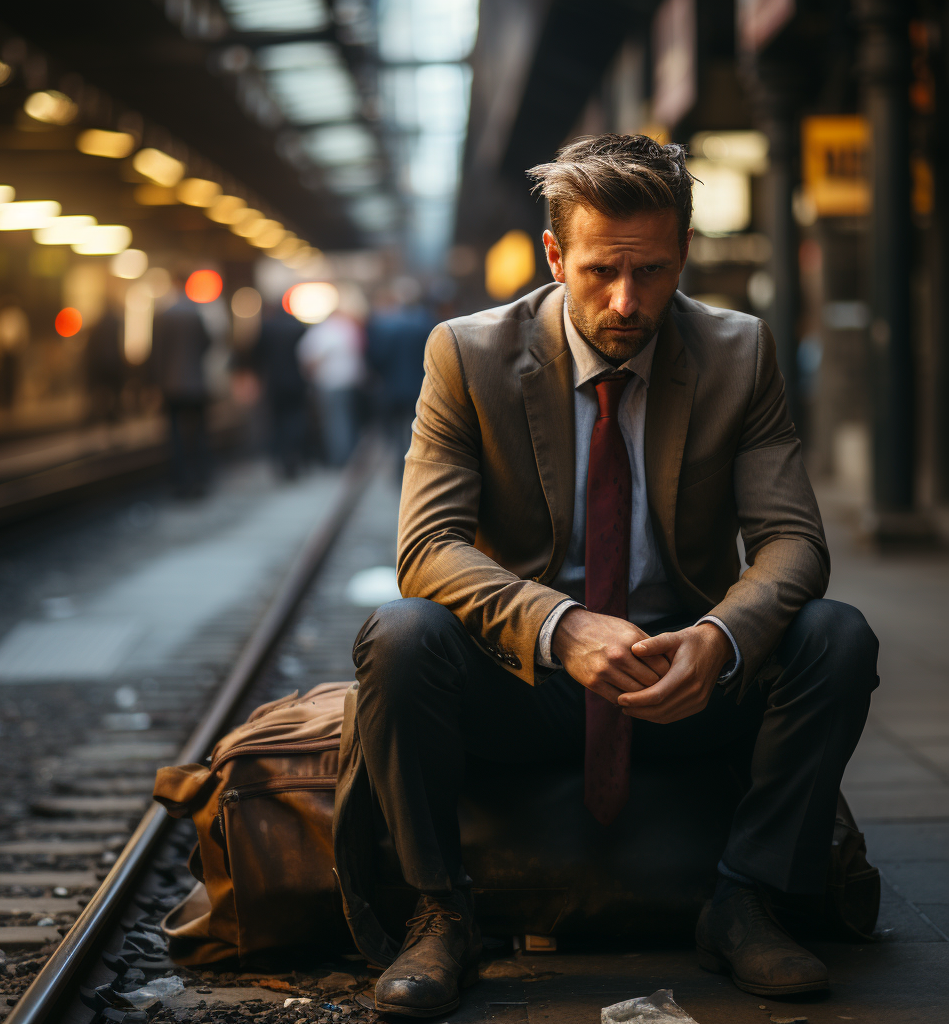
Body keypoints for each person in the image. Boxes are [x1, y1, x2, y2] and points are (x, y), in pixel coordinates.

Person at [345, 135, 879, 1017]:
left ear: (684, 256)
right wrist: (561, 628)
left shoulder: (739, 353)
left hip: (684, 680)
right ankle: (440, 911)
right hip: (528, 682)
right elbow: (427, 548)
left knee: (836, 635)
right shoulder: (467, 355)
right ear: (556, 256)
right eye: (600, 272)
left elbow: (792, 542)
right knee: (403, 636)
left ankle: (746, 899)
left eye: (654, 272)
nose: (628, 301)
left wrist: (720, 636)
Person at [150, 278, 212, 497]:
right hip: (196, 385)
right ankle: (201, 479)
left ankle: (180, 482)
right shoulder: (195, 314)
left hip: (172, 386)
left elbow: (156, 352)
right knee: (199, 435)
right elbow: (208, 343)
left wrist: (157, 384)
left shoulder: (164, 315)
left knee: (175, 435)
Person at [366, 279, 433, 475]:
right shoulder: (424, 323)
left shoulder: (385, 326)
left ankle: (399, 466)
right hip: (418, 386)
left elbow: (377, 358)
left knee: (395, 431)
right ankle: (418, 467)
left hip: (391, 387)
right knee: (418, 429)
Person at [297, 285, 367, 467]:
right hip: (349, 381)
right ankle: (350, 456)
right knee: (347, 419)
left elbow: (308, 358)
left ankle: (340, 458)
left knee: (335, 422)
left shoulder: (322, 331)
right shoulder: (348, 329)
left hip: (330, 383)